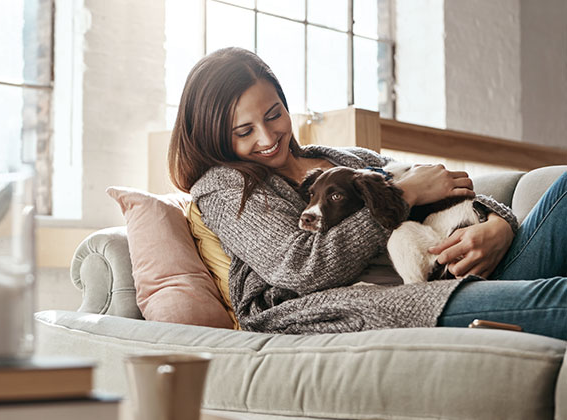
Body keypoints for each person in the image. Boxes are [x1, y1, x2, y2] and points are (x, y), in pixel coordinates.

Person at [168, 47, 567, 339]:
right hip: (384, 300)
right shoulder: (224, 186)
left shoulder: (346, 157)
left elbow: (447, 189)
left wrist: (499, 226)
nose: (268, 136)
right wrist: (403, 195)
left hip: (467, 263)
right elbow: (299, 268)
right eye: (244, 131)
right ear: (215, 135)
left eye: (274, 114)